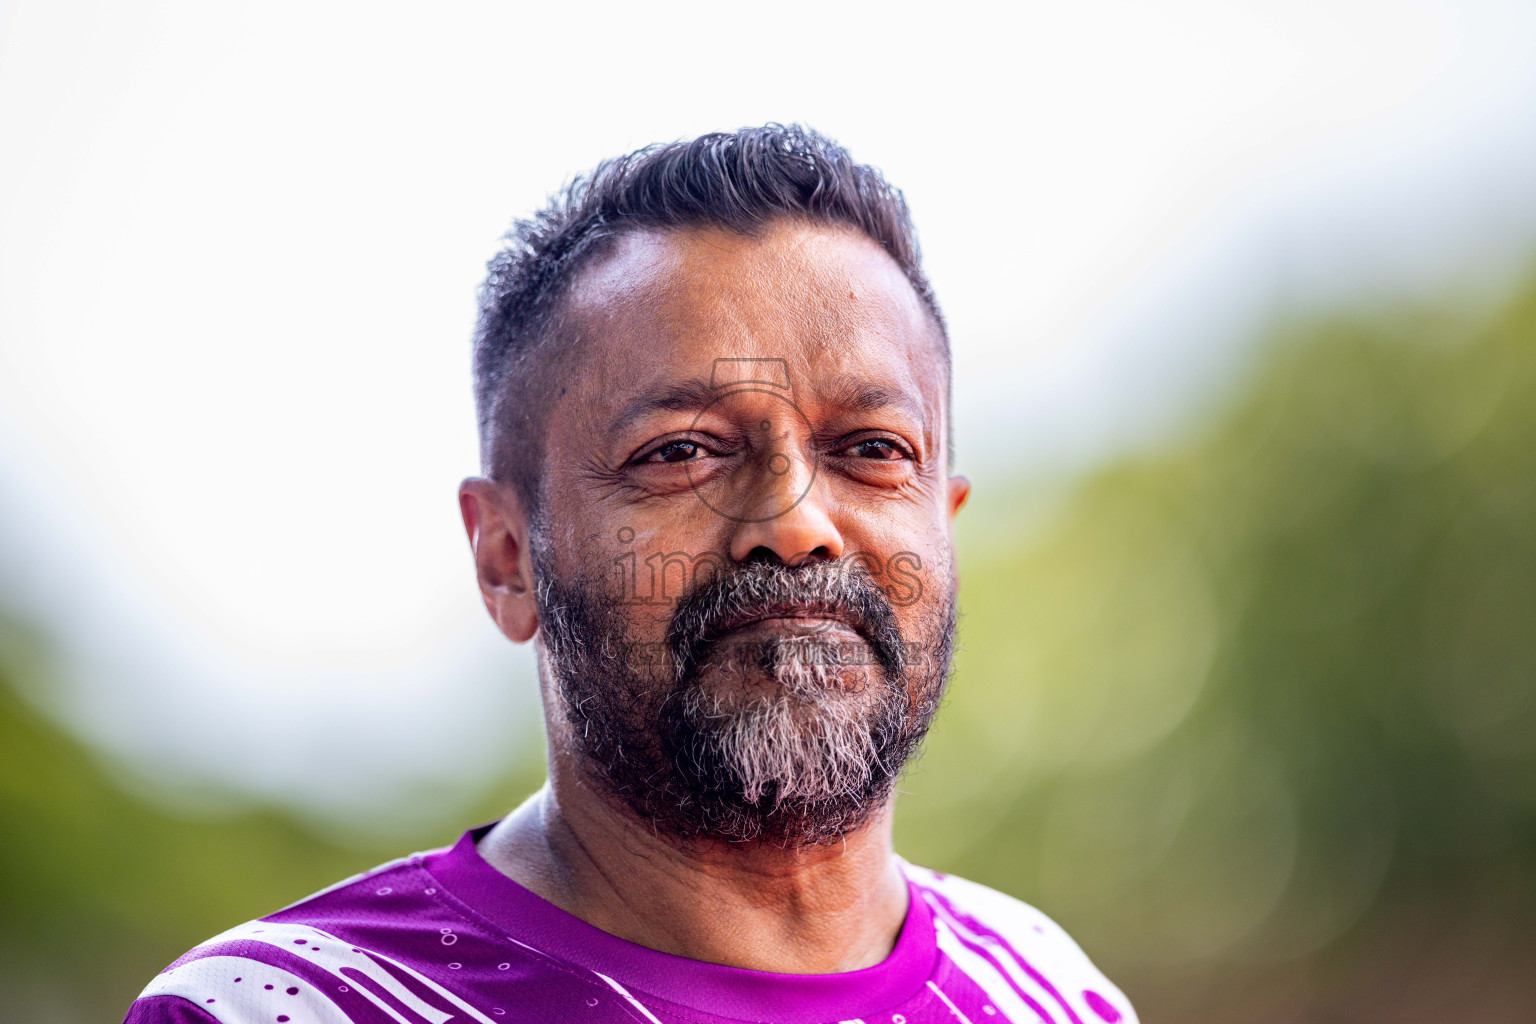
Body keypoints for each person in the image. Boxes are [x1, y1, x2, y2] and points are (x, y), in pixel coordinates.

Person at [123, 124, 1137, 1024]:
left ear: (945, 521)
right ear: (506, 557)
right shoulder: (277, 1009)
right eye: (682, 451)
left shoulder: (1055, 994)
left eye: (872, 448)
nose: (795, 524)